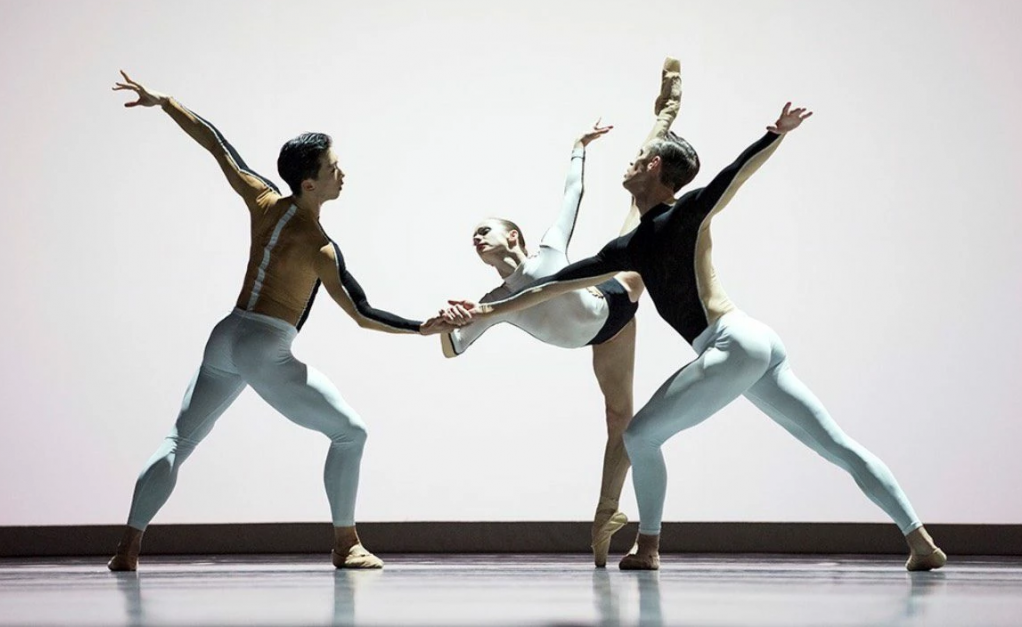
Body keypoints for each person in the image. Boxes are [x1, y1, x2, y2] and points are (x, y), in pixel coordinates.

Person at [439, 102, 946, 572]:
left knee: (639, 435)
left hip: (729, 344)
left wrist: (774, 135)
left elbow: (733, 176)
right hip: (756, 343)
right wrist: (488, 309)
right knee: (835, 445)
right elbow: (552, 286)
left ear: (654, 166)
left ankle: (649, 547)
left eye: (637, 159)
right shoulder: (628, 246)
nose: (629, 165)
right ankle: (919, 541)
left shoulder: (686, 212)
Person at [107, 71, 449, 572]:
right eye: (333, 168)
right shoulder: (320, 247)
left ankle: (127, 550)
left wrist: (166, 102)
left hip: (227, 335)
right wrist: (421, 327)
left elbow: (218, 146)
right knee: (351, 433)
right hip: (264, 345)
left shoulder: (263, 199)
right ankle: (346, 544)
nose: (342, 173)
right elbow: (361, 314)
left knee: (179, 440)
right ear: (310, 183)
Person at [439, 59, 683, 567]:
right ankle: (606, 515)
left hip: (613, 298)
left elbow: (573, 194)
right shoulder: (495, 303)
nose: (477, 237)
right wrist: (446, 324)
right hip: (601, 336)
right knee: (618, 419)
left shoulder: (549, 250)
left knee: (645, 214)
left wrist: (578, 148)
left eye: (486, 229)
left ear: (514, 236)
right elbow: (453, 348)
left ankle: (665, 116)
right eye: (472, 235)